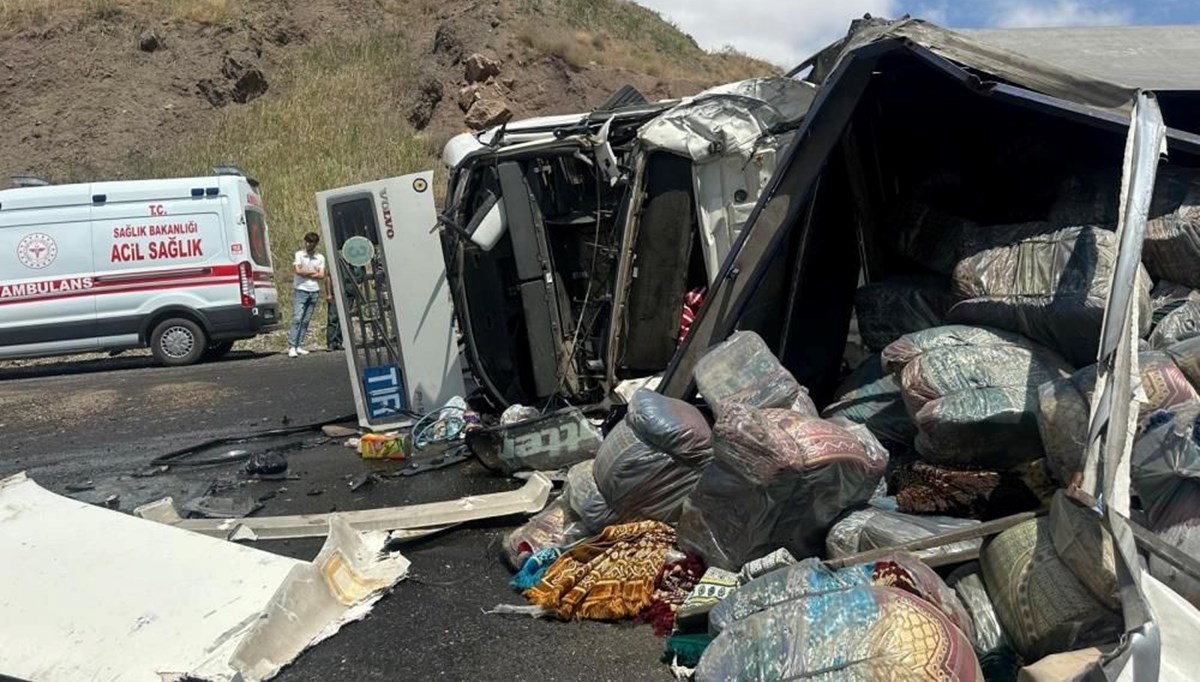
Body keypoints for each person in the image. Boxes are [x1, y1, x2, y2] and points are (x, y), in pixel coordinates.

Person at [288, 232, 325, 358]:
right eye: (307, 242)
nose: (309, 244)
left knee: (306, 320)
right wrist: (312, 272)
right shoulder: (299, 254)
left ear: (315, 244)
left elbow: (321, 275)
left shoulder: (320, 257)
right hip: (301, 289)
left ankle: (299, 345)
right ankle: (292, 346)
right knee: (297, 318)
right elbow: (298, 271)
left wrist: (306, 272)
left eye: (311, 242)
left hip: (314, 290)